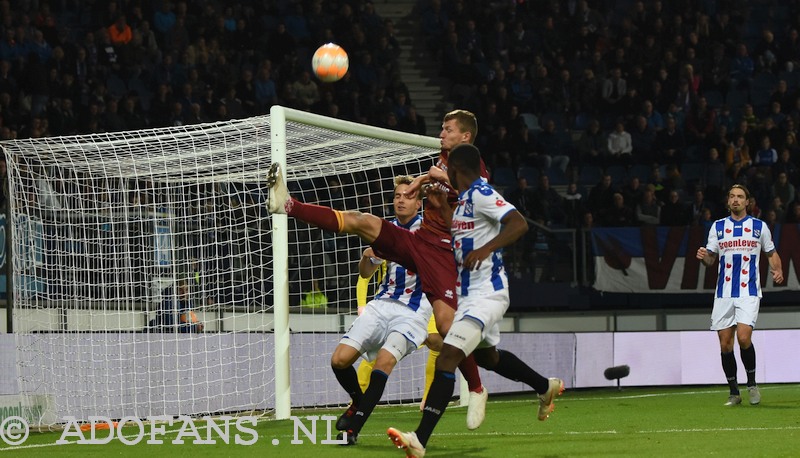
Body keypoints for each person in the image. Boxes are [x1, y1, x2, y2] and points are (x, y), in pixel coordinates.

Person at [267, 109, 489, 430]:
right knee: (362, 221)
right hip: (417, 248)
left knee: (445, 323)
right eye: (441, 128)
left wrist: (441, 180)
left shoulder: (471, 163)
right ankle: (288, 204)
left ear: (465, 136)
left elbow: (480, 195)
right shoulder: (442, 157)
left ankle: (477, 388)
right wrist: (424, 179)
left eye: (448, 129)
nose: (441, 133)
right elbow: (366, 269)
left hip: (442, 254)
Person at [387, 143, 564, 457]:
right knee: (488, 359)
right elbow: (465, 231)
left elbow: (518, 223)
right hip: (470, 295)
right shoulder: (466, 200)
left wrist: (486, 249)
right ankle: (544, 386)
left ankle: (419, 440)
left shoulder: (482, 193)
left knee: (448, 356)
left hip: (489, 294)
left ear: (456, 170)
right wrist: (443, 209)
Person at [330, 176, 435, 445]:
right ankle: (358, 401)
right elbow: (366, 272)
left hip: (413, 311)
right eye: (398, 195)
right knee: (339, 360)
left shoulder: (430, 231)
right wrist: (367, 257)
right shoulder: (384, 232)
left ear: (419, 203)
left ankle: (353, 429)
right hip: (381, 304)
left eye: (407, 196)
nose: (401, 199)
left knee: (384, 363)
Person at [695, 184, 783, 407]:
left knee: (744, 338)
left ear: (747, 202)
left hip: (748, 291)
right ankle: (734, 392)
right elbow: (711, 260)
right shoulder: (718, 227)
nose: (736, 200)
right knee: (725, 344)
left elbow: (771, 253)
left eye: (740, 197)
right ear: (728, 202)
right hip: (723, 293)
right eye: (732, 196)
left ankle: (752, 384)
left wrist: (778, 270)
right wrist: (703, 256)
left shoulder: (758, 227)